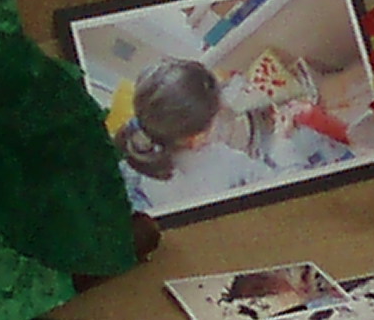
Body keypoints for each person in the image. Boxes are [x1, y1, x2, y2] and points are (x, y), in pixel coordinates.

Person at [114, 59, 271, 210]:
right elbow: (275, 185)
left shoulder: (138, 168)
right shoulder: (224, 163)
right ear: (196, 139)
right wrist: (281, 137)